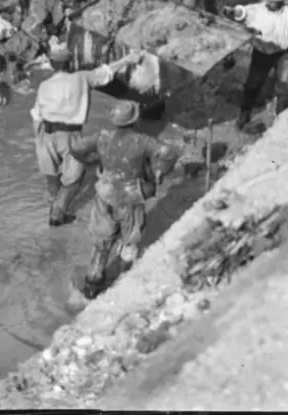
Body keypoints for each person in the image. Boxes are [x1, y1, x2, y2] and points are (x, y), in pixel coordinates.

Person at [70, 100, 181, 299]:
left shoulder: (102, 137)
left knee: (101, 241)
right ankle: (122, 284)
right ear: (135, 120)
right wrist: (159, 173)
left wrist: (91, 162)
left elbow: (76, 148)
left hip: (105, 192)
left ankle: (92, 285)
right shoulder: (142, 141)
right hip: (131, 196)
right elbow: (169, 153)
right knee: (130, 240)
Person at [31, 46, 143, 226]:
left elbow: (36, 115)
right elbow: (106, 72)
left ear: (52, 64)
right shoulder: (82, 77)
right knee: (75, 177)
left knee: (51, 175)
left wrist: (38, 139)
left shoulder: (44, 85)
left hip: (45, 135)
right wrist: (128, 59)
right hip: (70, 134)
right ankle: (57, 213)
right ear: (70, 63)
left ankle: (54, 203)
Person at [222, 0, 288, 129]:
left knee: (284, 83)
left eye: (272, 1)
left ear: (280, 2)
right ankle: (245, 114)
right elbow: (242, 12)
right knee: (253, 84)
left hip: (282, 54)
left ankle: (280, 115)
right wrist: (232, 12)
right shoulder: (258, 10)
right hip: (261, 52)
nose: (268, 3)